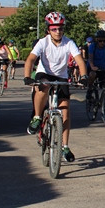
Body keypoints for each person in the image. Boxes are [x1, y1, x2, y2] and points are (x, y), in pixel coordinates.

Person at [24, 12, 88, 162]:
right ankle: (38, 117)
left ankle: (65, 147)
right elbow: (31, 59)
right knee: (44, 85)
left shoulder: (68, 43)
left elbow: (79, 61)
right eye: (54, 29)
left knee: (65, 111)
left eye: (60, 28)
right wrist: (27, 76)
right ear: (48, 30)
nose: (57, 32)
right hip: (44, 73)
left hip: (61, 76)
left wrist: (84, 76)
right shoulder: (43, 42)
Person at [87, 30, 105, 98]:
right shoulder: (92, 46)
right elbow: (90, 58)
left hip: (102, 68)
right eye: (100, 41)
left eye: (104, 41)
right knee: (92, 75)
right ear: (96, 40)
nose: (102, 43)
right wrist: (92, 66)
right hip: (92, 67)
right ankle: (89, 90)